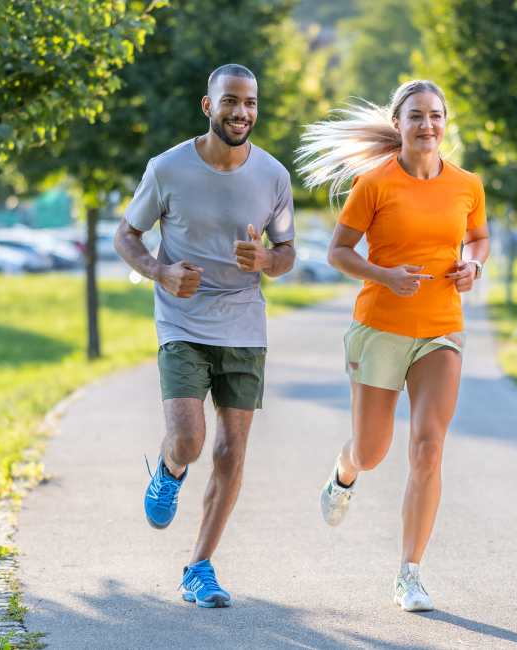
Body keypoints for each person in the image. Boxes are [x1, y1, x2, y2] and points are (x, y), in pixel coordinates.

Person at [296, 79, 490, 612]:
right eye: (416, 116)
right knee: (373, 451)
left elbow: (478, 237)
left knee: (428, 448)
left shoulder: (467, 184)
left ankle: (410, 573)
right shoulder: (374, 183)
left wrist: (473, 263)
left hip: (441, 329)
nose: (427, 125)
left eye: (436, 115)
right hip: (380, 326)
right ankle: (344, 471)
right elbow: (338, 251)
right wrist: (383, 274)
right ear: (398, 123)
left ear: (445, 122)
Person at [114, 63, 295, 608]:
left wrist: (266, 258)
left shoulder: (273, 176)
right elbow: (127, 234)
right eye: (231, 101)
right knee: (191, 441)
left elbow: (287, 255)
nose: (242, 112)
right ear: (207, 105)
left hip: (244, 321)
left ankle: (199, 566)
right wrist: (159, 271)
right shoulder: (168, 169)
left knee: (231, 451)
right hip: (182, 319)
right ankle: (170, 469)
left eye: (251, 103)